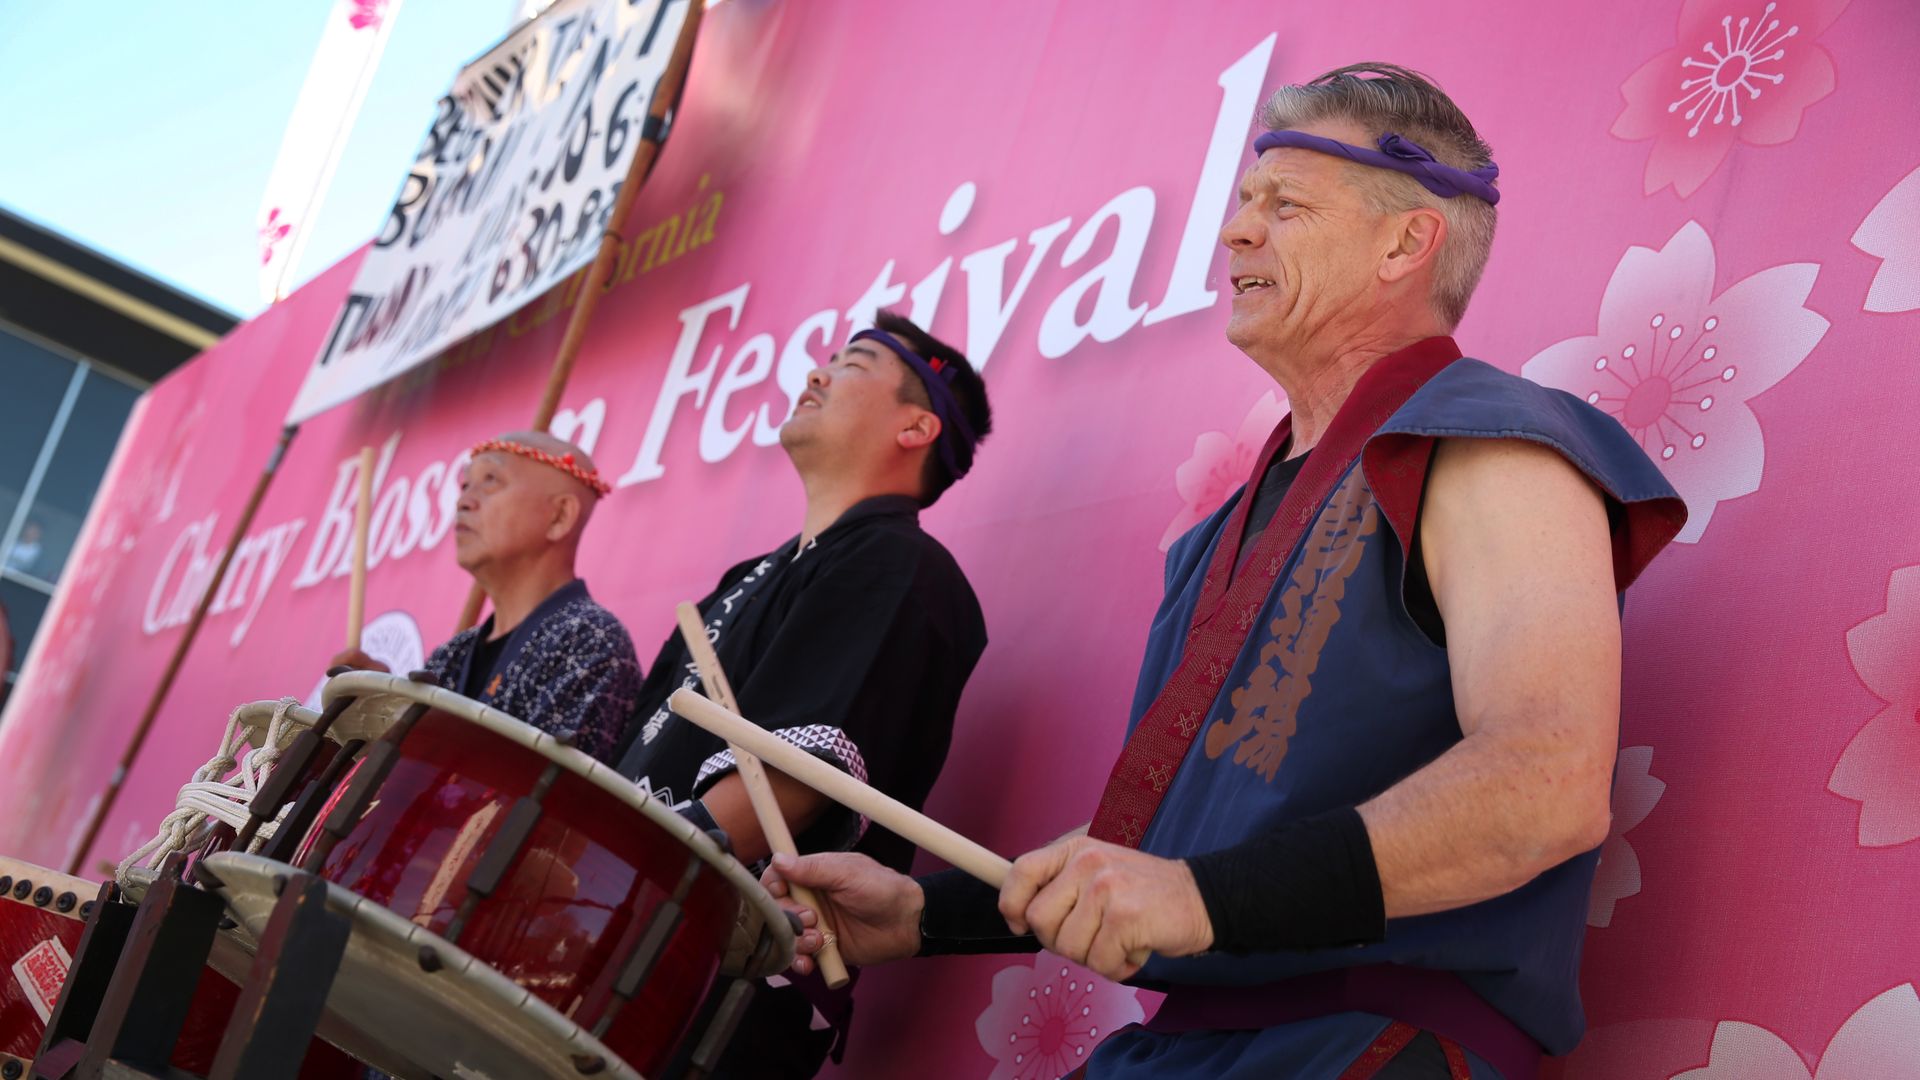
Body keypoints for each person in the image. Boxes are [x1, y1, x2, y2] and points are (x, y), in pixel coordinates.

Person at [763, 64, 1688, 1080]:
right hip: (1186, 1046)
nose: (1236, 234)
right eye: (1244, 205)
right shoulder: (1217, 536)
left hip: (1364, 1044)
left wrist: (1201, 901)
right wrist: (924, 915)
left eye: (1284, 206)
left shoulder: (1495, 439)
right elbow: (1184, 848)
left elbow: (1547, 783)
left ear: (1405, 243)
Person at [614, 310, 993, 1078]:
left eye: (851, 365)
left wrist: (609, 882)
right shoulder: (743, 581)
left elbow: (776, 795)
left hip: (703, 974)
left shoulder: (900, 565)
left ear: (916, 427)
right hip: (620, 930)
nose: (815, 374)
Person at [330, 431, 641, 763]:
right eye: (464, 486)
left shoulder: (592, 641)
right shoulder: (453, 653)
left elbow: (538, 790)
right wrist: (383, 703)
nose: (463, 501)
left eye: (490, 481)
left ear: (560, 516)